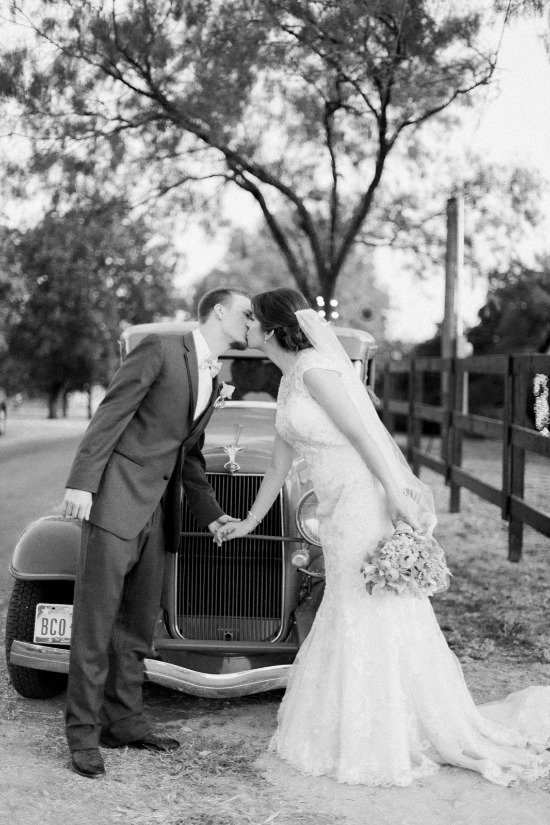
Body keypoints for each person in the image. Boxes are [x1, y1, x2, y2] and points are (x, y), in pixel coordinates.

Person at [216, 287, 550, 787]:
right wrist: (246, 521)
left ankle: (391, 728)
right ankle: (363, 717)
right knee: (351, 606)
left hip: (360, 502)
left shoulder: (314, 370)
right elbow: (277, 470)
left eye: (250, 320)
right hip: (331, 510)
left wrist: (395, 491)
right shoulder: (288, 382)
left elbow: (364, 434)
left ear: (269, 327)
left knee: (365, 604)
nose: (245, 327)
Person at [62, 287, 253, 779]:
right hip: (116, 501)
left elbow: (187, 456)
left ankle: (123, 722)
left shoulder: (215, 377)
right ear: (218, 312)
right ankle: (82, 734)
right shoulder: (162, 349)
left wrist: (210, 515)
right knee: (95, 622)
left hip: (160, 512)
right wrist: (82, 484)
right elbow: (110, 416)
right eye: (246, 314)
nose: (253, 322)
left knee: (137, 624)